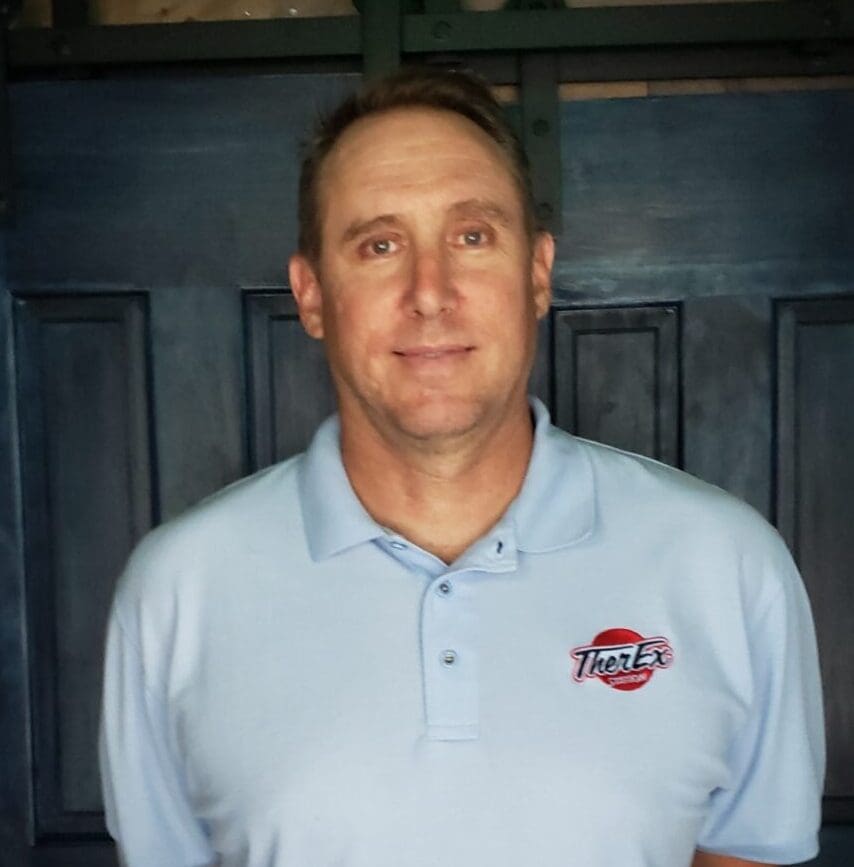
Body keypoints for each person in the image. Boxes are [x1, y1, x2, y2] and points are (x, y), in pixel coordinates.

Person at [99, 67, 824, 867]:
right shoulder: (178, 591)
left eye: (472, 236)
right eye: (379, 245)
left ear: (538, 274)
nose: (430, 291)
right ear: (310, 294)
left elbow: (748, 853)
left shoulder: (725, 563)